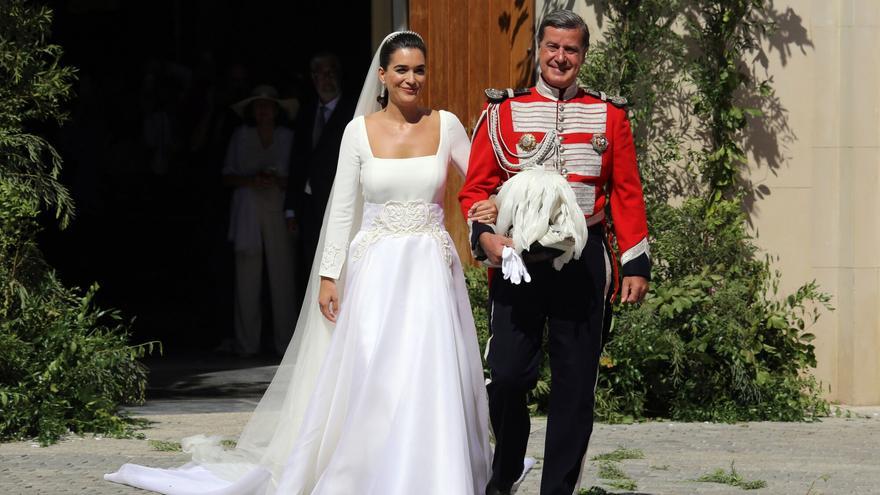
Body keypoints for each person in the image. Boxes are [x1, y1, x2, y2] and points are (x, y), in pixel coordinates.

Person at [105, 31, 497, 495]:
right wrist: (329, 275)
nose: (411, 79)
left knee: (428, 367)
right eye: (402, 70)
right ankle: (370, 468)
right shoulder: (358, 131)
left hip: (430, 269)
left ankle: (436, 471)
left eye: (419, 70)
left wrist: (490, 209)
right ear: (383, 75)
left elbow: (478, 181)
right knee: (378, 369)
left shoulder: (447, 125)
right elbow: (343, 208)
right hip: (375, 270)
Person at [459, 10, 651, 495]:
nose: (560, 57)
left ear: (583, 56)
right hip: (518, 262)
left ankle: (557, 489)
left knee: (574, 385)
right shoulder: (502, 112)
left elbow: (626, 192)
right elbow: (476, 188)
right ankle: (506, 471)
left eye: (571, 49)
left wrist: (635, 261)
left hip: (583, 264)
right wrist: (485, 237)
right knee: (506, 376)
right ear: (538, 51)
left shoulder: (610, 115)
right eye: (552, 47)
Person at [221, 84, 299, 357]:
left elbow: (299, 176)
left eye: (268, 105)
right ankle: (246, 344)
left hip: (278, 206)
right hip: (248, 208)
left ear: (277, 110)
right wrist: (251, 180)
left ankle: (286, 343)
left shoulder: (287, 137)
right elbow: (227, 175)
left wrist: (277, 181)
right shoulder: (241, 136)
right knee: (247, 277)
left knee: (283, 275)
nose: (263, 110)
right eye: (258, 106)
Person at [285, 52, 357, 301]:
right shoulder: (306, 113)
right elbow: (297, 162)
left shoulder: (353, 112)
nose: (324, 80)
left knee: (338, 269)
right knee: (309, 267)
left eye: (329, 73)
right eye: (319, 74)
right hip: (308, 207)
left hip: (339, 203)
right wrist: (291, 209)